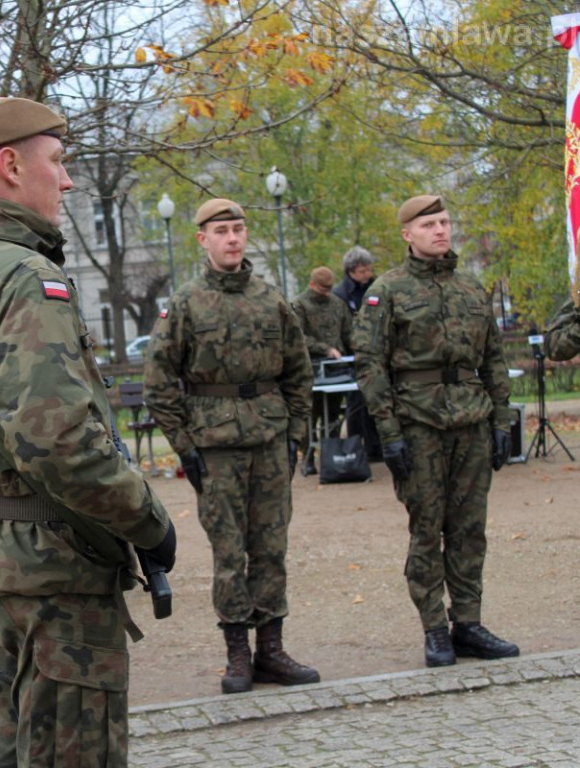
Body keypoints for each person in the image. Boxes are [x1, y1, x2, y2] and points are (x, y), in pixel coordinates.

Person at [0, 97, 175, 767]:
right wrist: (148, 521)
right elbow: (58, 442)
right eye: (56, 162)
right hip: (51, 575)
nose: (66, 180)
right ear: (9, 165)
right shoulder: (28, 279)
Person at [144, 197, 319, 695]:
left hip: (269, 438)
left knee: (271, 547)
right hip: (215, 444)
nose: (233, 238)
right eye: (221, 231)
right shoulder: (185, 303)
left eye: (239, 229)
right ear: (203, 239)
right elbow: (158, 381)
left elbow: (298, 372)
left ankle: (272, 649)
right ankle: (237, 654)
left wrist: (296, 435)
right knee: (229, 553)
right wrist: (184, 446)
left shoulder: (271, 300)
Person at [352, 194, 518, 668]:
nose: (440, 230)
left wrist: (501, 420)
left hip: (471, 420)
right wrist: (390, 432)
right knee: (427, 529)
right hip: (418, 423)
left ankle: (468, 623)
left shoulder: (470, 288)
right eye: (428, 224)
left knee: (469, 530)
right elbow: (371, 365)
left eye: (444, 222)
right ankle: (434, 629)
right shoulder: (387, 291)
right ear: (408, 234)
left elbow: (493, 360)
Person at [291, 266, 352, 476]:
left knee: (334, 415)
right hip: (312, 370)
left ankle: (332, 457)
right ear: (313, 285)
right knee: (311, 415)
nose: (327, 292)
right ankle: (308, 458)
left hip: (337, 370)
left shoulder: (337, 304)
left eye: (329, 288)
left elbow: (348, 332)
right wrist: (325, 349)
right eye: (323, 288)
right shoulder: (300, 306)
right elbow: (298, 337)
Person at [332, 246, 383, 461]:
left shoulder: (377, 287)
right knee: (355, 405)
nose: (367, 275)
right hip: (352, 357)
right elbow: (340, 327)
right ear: (351, 271)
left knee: (377, 402)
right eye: (363, 271)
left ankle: (376, 448)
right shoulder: (340, 294)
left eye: (369, 270)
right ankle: (355, 449)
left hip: (377, 352)